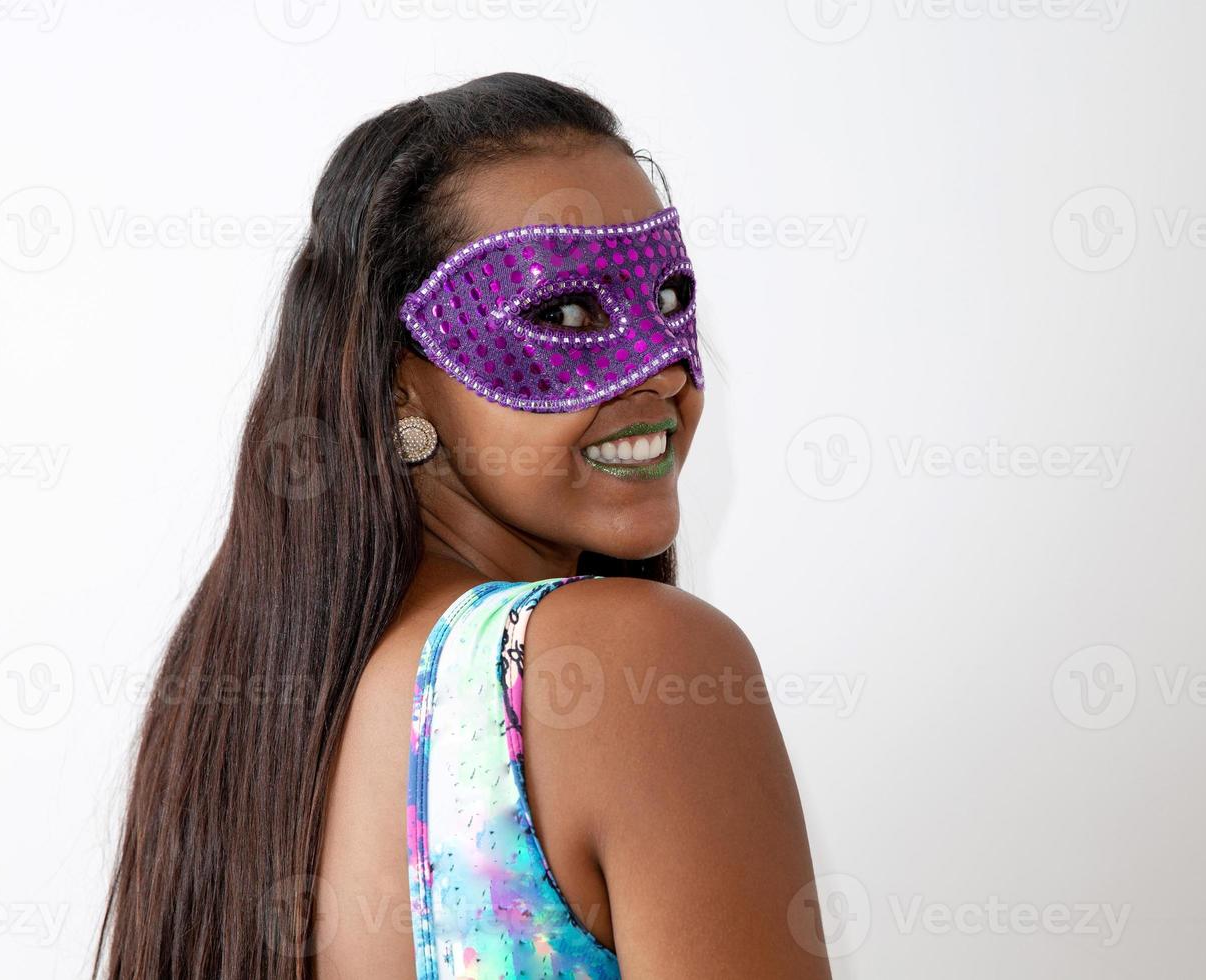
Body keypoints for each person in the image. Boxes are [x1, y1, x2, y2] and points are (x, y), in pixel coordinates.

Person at [98, 72, 830, 980]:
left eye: (672, 300)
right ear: (403, 377)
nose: (660, 371)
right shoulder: (638, 667)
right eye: (566, 312)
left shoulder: (250, 719)